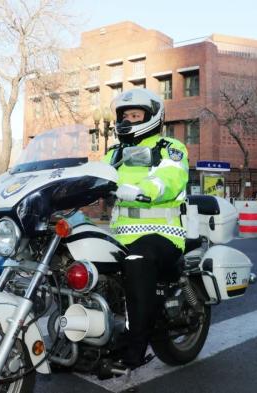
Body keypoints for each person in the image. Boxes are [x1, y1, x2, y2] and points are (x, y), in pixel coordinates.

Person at [102, 88, 190, 372]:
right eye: (125, 115)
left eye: (135, 114)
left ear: (152, 117)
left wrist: (144, 190)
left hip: (162, 234)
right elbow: (92, 176)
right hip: (118, 236)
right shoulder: (113, 153)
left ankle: (133, 350)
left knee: (137, 261)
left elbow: (171, 177)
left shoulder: (169, 147)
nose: (128, 119)